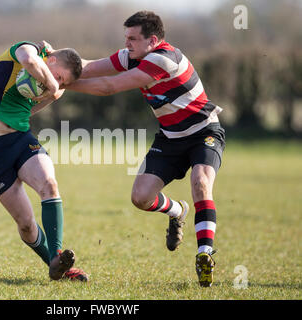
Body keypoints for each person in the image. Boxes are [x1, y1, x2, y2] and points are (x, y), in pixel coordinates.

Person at [43, 11, 225, 287]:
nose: (126, 44)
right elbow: (90, 67)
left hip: (204, 133)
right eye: (125, 38)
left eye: (132, 39)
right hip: (170, 138)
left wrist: (60, 82)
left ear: (152, 40)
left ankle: (205, 253)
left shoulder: (164, 59)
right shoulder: (134, 56)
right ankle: (177, 211)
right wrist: (53, 62)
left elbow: (108, 86)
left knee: (200, 182)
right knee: (140, 198)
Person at [0, 41, 88, 282]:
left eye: (63, 82)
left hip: (21, 141)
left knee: (49, 185)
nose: (58, 83)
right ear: (51, 60)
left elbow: (28, 109)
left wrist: (52, 94)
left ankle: (57, 257)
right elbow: (30, 60)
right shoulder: (27, 49)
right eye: (60, 77)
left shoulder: (36, 85)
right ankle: (55, 265)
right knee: (25, 225)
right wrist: (53, 84)